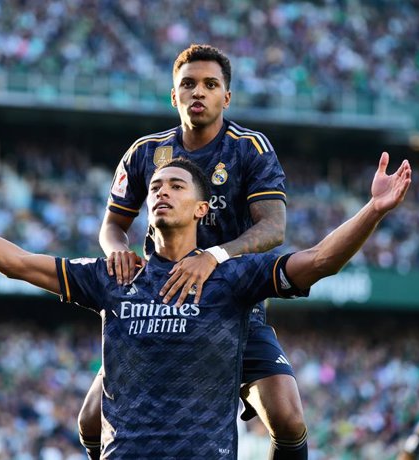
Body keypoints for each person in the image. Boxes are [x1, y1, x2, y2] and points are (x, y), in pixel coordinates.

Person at [0, 151, 410, 458]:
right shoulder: (116, 276)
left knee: (289, 419)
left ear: (203, 207)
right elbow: (19, 262)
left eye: (176, 185)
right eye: (155, 185)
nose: (160, 191)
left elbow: (317, 261)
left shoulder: (231, 279)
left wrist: (374, 210)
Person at [86, 43, 299, 460]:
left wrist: (214, 256)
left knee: (288, 418)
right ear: (174, 95)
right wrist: (117, 251)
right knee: (90, 419)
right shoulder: (146, 152)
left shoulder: (249, 148)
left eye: (210, 84)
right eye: (188, 84)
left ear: (226, 97)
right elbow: (112, 226)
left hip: (230, 305)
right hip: (159, 304)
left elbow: (274, 228)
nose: (198, 92)